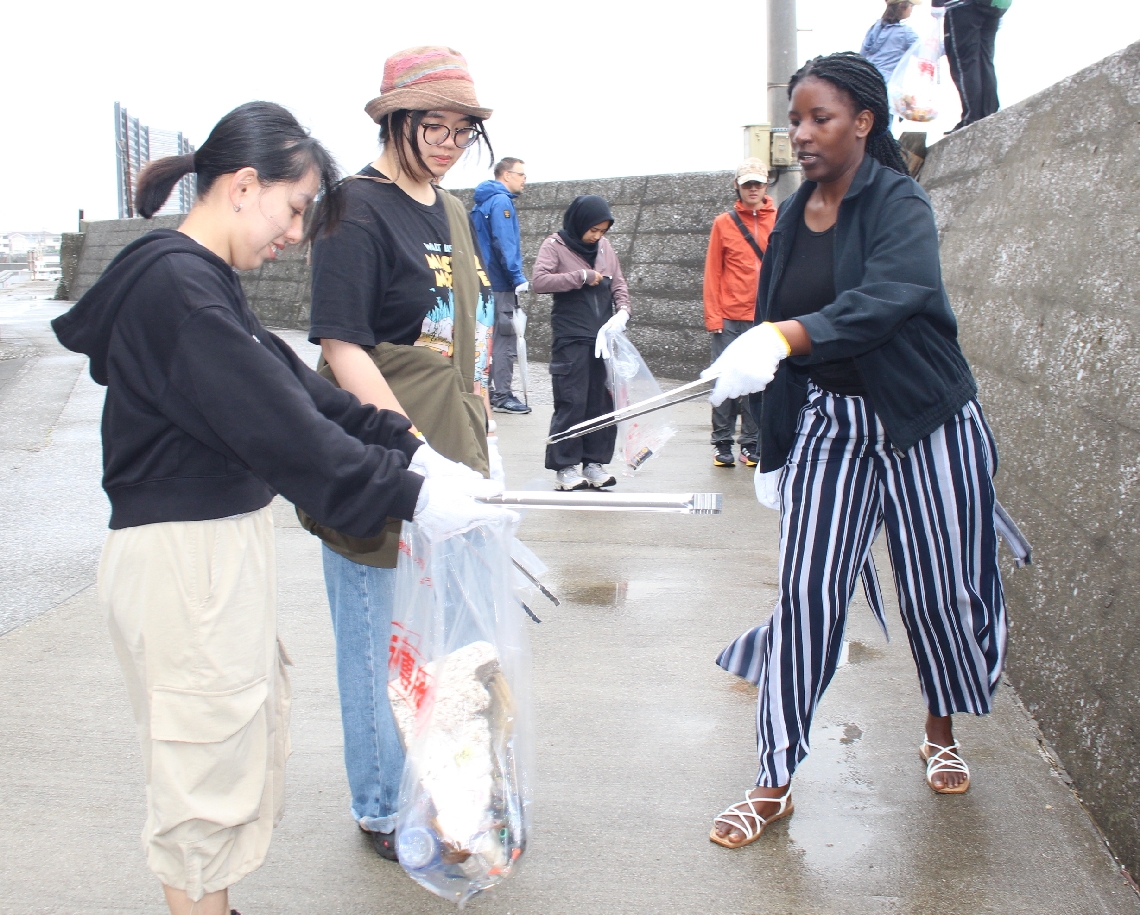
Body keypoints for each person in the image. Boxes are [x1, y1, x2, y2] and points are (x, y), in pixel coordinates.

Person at [50, 102, 507, 914]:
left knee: (227, 754)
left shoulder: (200, 283)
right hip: (186, 562)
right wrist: (413, 491)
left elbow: (302, 393)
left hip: (209, 554)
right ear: (243, 184)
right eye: (294, 209)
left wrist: (415, 453)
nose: (295, 235)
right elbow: (291, 437)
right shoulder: (179, 289)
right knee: (203, 779)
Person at [703, 52, 1007, 849]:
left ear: (864, 122)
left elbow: (889, 296)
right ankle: (773, 778)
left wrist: (784, 335)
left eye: (818, 118)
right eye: (793, 120)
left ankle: (940, 727)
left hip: (924, 420)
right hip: (834, 428)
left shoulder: (900, 202)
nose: (799, 134)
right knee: (807, 594)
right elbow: (774, 343)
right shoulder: (792, 220)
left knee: (939, 592)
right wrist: (773, 455)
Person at [306, 45, 504, 863]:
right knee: (377, 639)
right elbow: (344, 346)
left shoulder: (453, 210)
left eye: (463, 127)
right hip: (383, 462)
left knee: (448, 641)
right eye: (434, 122)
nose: (450, 139)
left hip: (455, 460)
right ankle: (384, 806)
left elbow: (472, 332)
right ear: (395, 118)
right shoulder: (353, 208)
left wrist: (481, 444)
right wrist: (414, 453)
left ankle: (444, 787)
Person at [533, 195, 631, 491]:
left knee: (600, 402)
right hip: (571, 336)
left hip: (602, 338)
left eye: (602, 231)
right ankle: (565, 467)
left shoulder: (604, 247)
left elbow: (618, 283)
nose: (597, 236)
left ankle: (594, 463)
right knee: (572, 400)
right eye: (593, 230)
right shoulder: (555, 245)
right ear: (579, 224)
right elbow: (539, 281)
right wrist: (581, 276)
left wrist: (623, 311)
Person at [703, 158, 776, 468]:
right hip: (730, 316)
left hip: (764, 318)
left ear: (766, 184)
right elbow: (713, 272)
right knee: (725, 379)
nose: (753, 188)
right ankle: (722, 442)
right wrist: (713, 317)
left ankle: (751, 443)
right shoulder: (724, 223)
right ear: (737, 186)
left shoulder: (780, 218)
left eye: (757, 182)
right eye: (747, 183)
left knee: (758, 382)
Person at [472, 157, 532, 414]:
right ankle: (502, 395)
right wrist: (517, 278)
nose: (524, 180)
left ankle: (484, 391)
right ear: (506, 175)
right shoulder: (502, 202)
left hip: (481, 280)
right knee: (505, 340)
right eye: (521, 175)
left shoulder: (482, 202)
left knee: (482, 339)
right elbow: (505, 242)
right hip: (500, 282)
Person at [934, 0, 1012, 131]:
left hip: (962, 6)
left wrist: (936, 4)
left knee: (964, 63)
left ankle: (971, 117)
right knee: (985, 61)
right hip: (992, 7)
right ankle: (989, 112)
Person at [860, 0, 921, 84]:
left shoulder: (874, 28)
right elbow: (925, 51)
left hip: (866, 79)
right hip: (886, 85)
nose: (912, 9)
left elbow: (862, 55)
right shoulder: (905, 33)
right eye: (911, 6)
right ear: (902, 5)